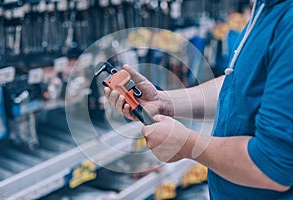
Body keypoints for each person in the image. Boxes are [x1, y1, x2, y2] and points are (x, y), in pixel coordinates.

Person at [104, 0, 293, 199]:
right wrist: (164, 101)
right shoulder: (268, 7)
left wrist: (186, 144)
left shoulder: (288, 20)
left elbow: (272, 165)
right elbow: (239, 84)